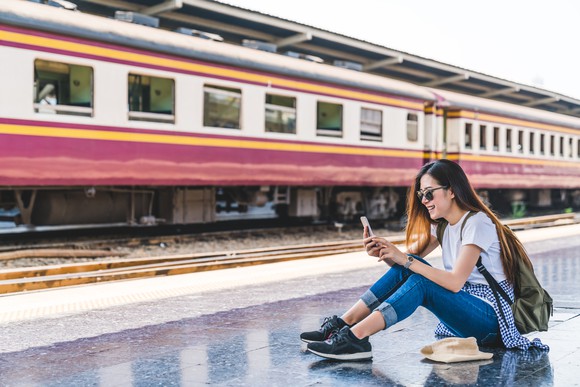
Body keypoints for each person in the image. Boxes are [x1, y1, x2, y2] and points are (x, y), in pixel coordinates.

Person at [301, 159, 548, 361]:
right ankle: (342, 324)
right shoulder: (443, 227)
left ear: (451, 191)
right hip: (470, 308)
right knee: (408, 270)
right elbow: (406, 269)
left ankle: (356, 339)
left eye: (429, 193)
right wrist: (386, 254)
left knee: (420, 278)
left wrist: (404, 258)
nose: (424, 201)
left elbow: (454, 283)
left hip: (493, 321)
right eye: (421, 195)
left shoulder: (477, 222)